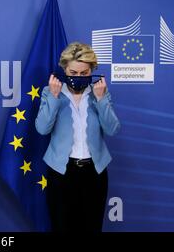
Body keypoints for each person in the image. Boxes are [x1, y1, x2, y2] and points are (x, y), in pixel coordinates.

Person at [35, 42, 120, 232]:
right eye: (73, 73)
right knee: (62, 226)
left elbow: (113, 129)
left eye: (84, 73)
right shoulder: (51, 92)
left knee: (91, 227)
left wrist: (100, 99)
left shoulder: (100, 93)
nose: (79, 77)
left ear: (92, 70)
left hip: (94, 173)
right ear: (65, 69)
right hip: (61, 172)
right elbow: (42, 128)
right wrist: (54, 98)